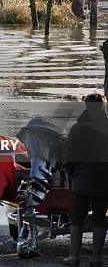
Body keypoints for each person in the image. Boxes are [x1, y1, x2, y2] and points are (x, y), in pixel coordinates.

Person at [63, 93, 108, 267]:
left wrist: (72, 173)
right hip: (105, 180)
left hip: (82, 177)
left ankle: (73, 257)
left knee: (77, 217)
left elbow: (69, 154)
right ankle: (96, 258)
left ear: (86, 106)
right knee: (100, 218)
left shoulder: (78, 128)